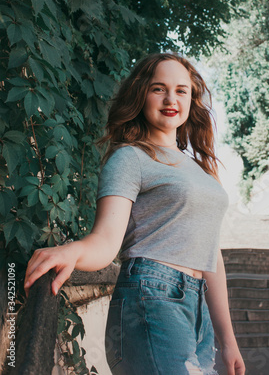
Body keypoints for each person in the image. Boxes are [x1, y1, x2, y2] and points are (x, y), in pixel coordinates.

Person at [24, 52, 245, 375]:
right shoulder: (130, 158)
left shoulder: (199, 169)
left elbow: (210, 255)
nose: (171, 98)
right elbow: (106, 240)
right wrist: (73, 250)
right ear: (141, 94)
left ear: (191, 99)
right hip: (151, 299)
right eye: (159, 88)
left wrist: (228, 341)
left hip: (198, 310)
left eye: (181, 90)